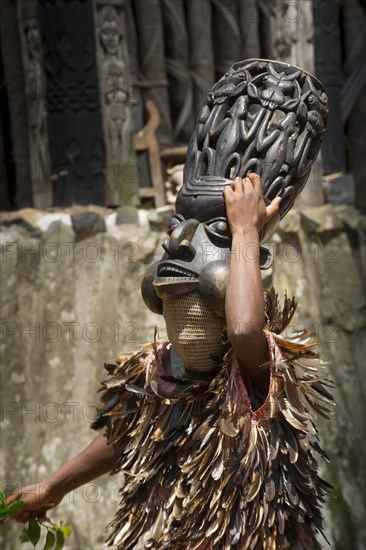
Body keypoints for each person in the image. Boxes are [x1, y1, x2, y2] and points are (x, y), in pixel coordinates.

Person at [5, 60, 334, 549]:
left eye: (213, 233)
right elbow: (124, 435)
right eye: (177, 225)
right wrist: (54, 487)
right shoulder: (162, 369)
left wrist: (243, 230)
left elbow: (243, 328)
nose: (180, 243)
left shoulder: (258, 372)